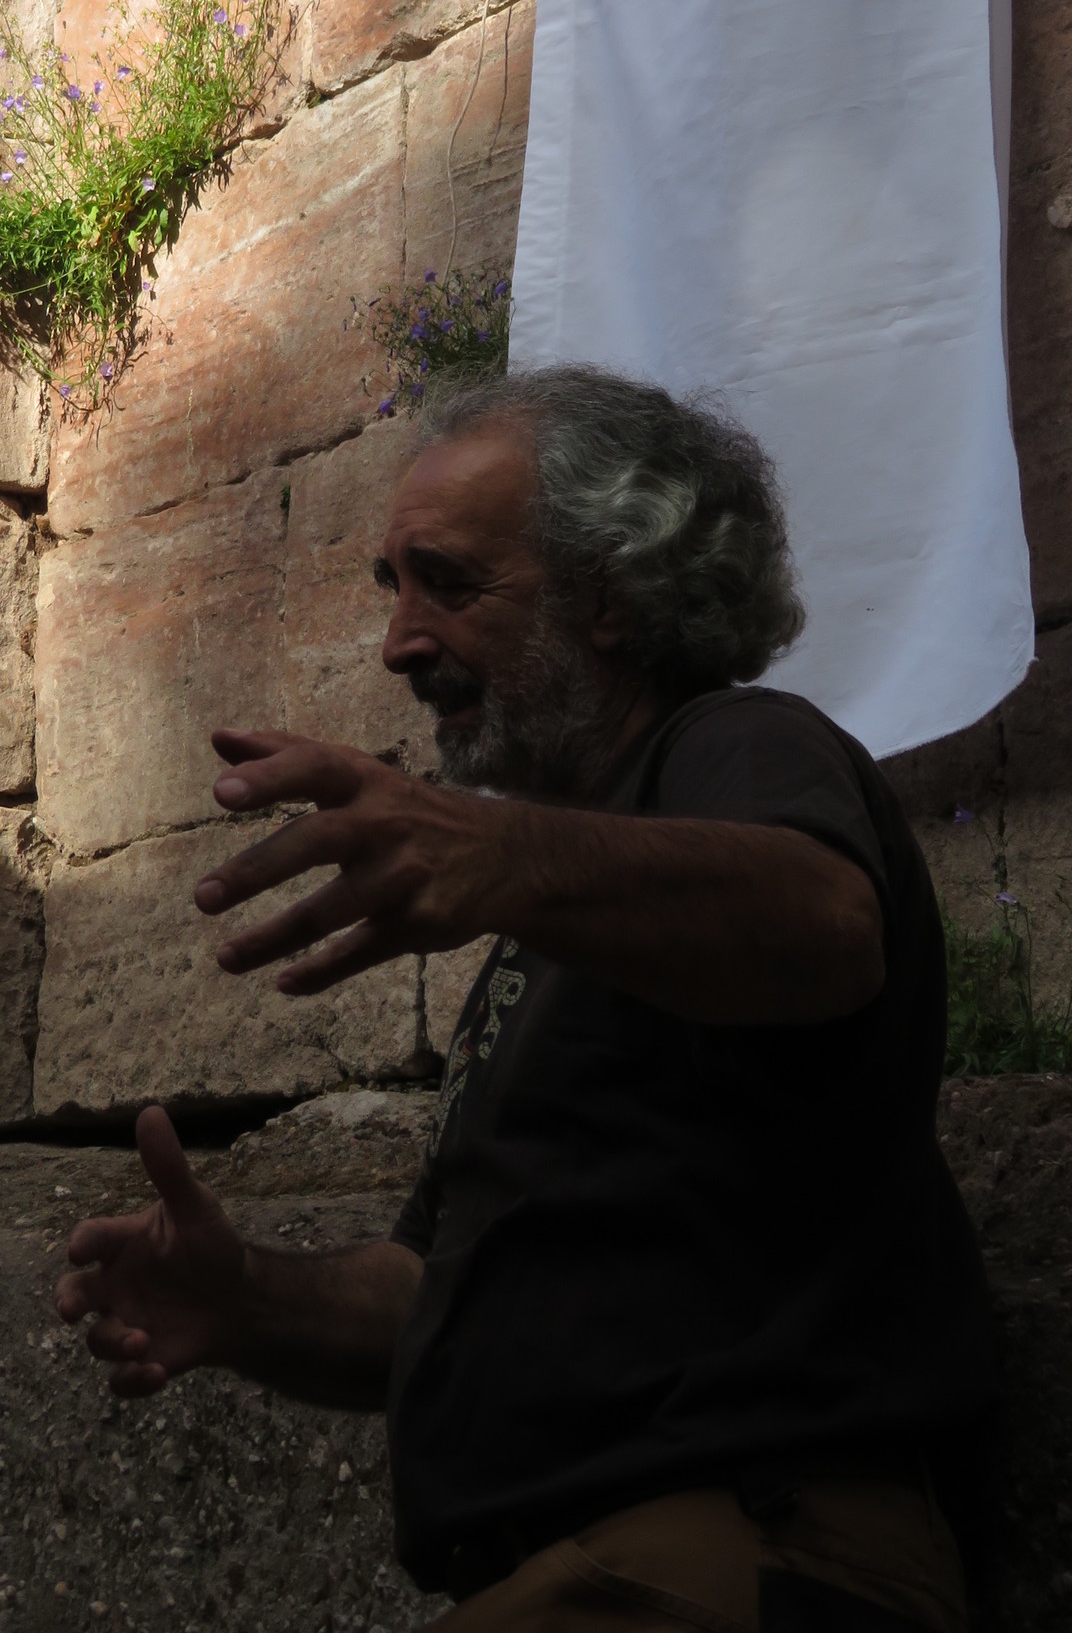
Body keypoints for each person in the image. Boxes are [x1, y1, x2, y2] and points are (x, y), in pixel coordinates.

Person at [56, 367, 998, 1631]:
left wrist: (502, 854)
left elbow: (828, 925)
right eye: (392, 588)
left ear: (611, 597)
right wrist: (248, 1301)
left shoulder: (737, 746)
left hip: (737, 1545)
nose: (399, 642)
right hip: (573, 1575)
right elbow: (437, 1285)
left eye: (448, 583)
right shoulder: (554, 919)